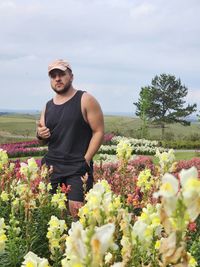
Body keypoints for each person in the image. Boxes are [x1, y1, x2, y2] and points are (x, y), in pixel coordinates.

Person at [36, 59, 104, 217]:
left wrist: (86, 160)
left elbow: (99, 131)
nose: (57, 79)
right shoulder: (48, 106)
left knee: (77, 215)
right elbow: (42, 139)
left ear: (71, 76)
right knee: (50, 213)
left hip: (77, 167)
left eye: (61, 74)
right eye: (53, 76)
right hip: (51, 168)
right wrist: (40, 135)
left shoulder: (85, 99)